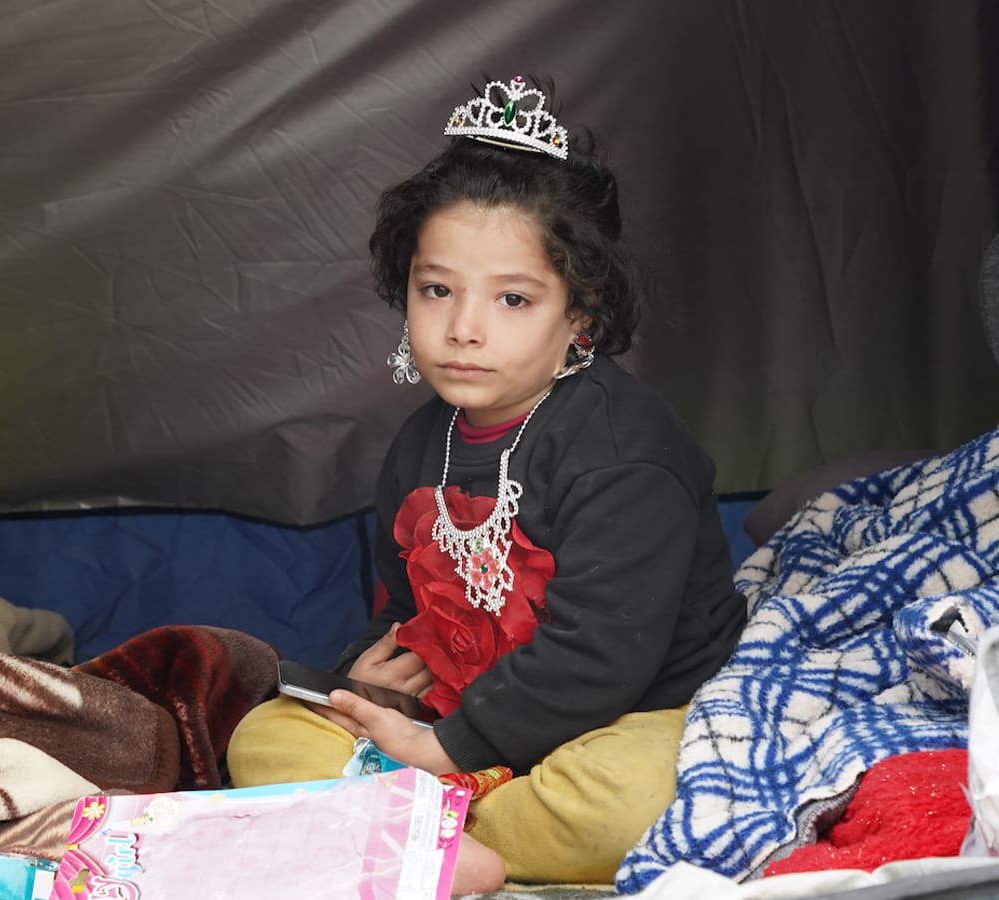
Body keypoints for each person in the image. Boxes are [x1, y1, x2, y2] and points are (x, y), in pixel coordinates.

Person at [225, 76, 747, 887]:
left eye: (512, 298)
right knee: (261, 738)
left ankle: (432, 827)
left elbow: (601, 655)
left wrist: (441, 751)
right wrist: (372, 673)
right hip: (462, 714)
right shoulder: (419, 445)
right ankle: (440, 824)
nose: (463, 328)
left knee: (625, 798)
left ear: (580, 309)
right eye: (437, 290)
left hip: (628, 711)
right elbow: (407, 608)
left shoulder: (625, 454)